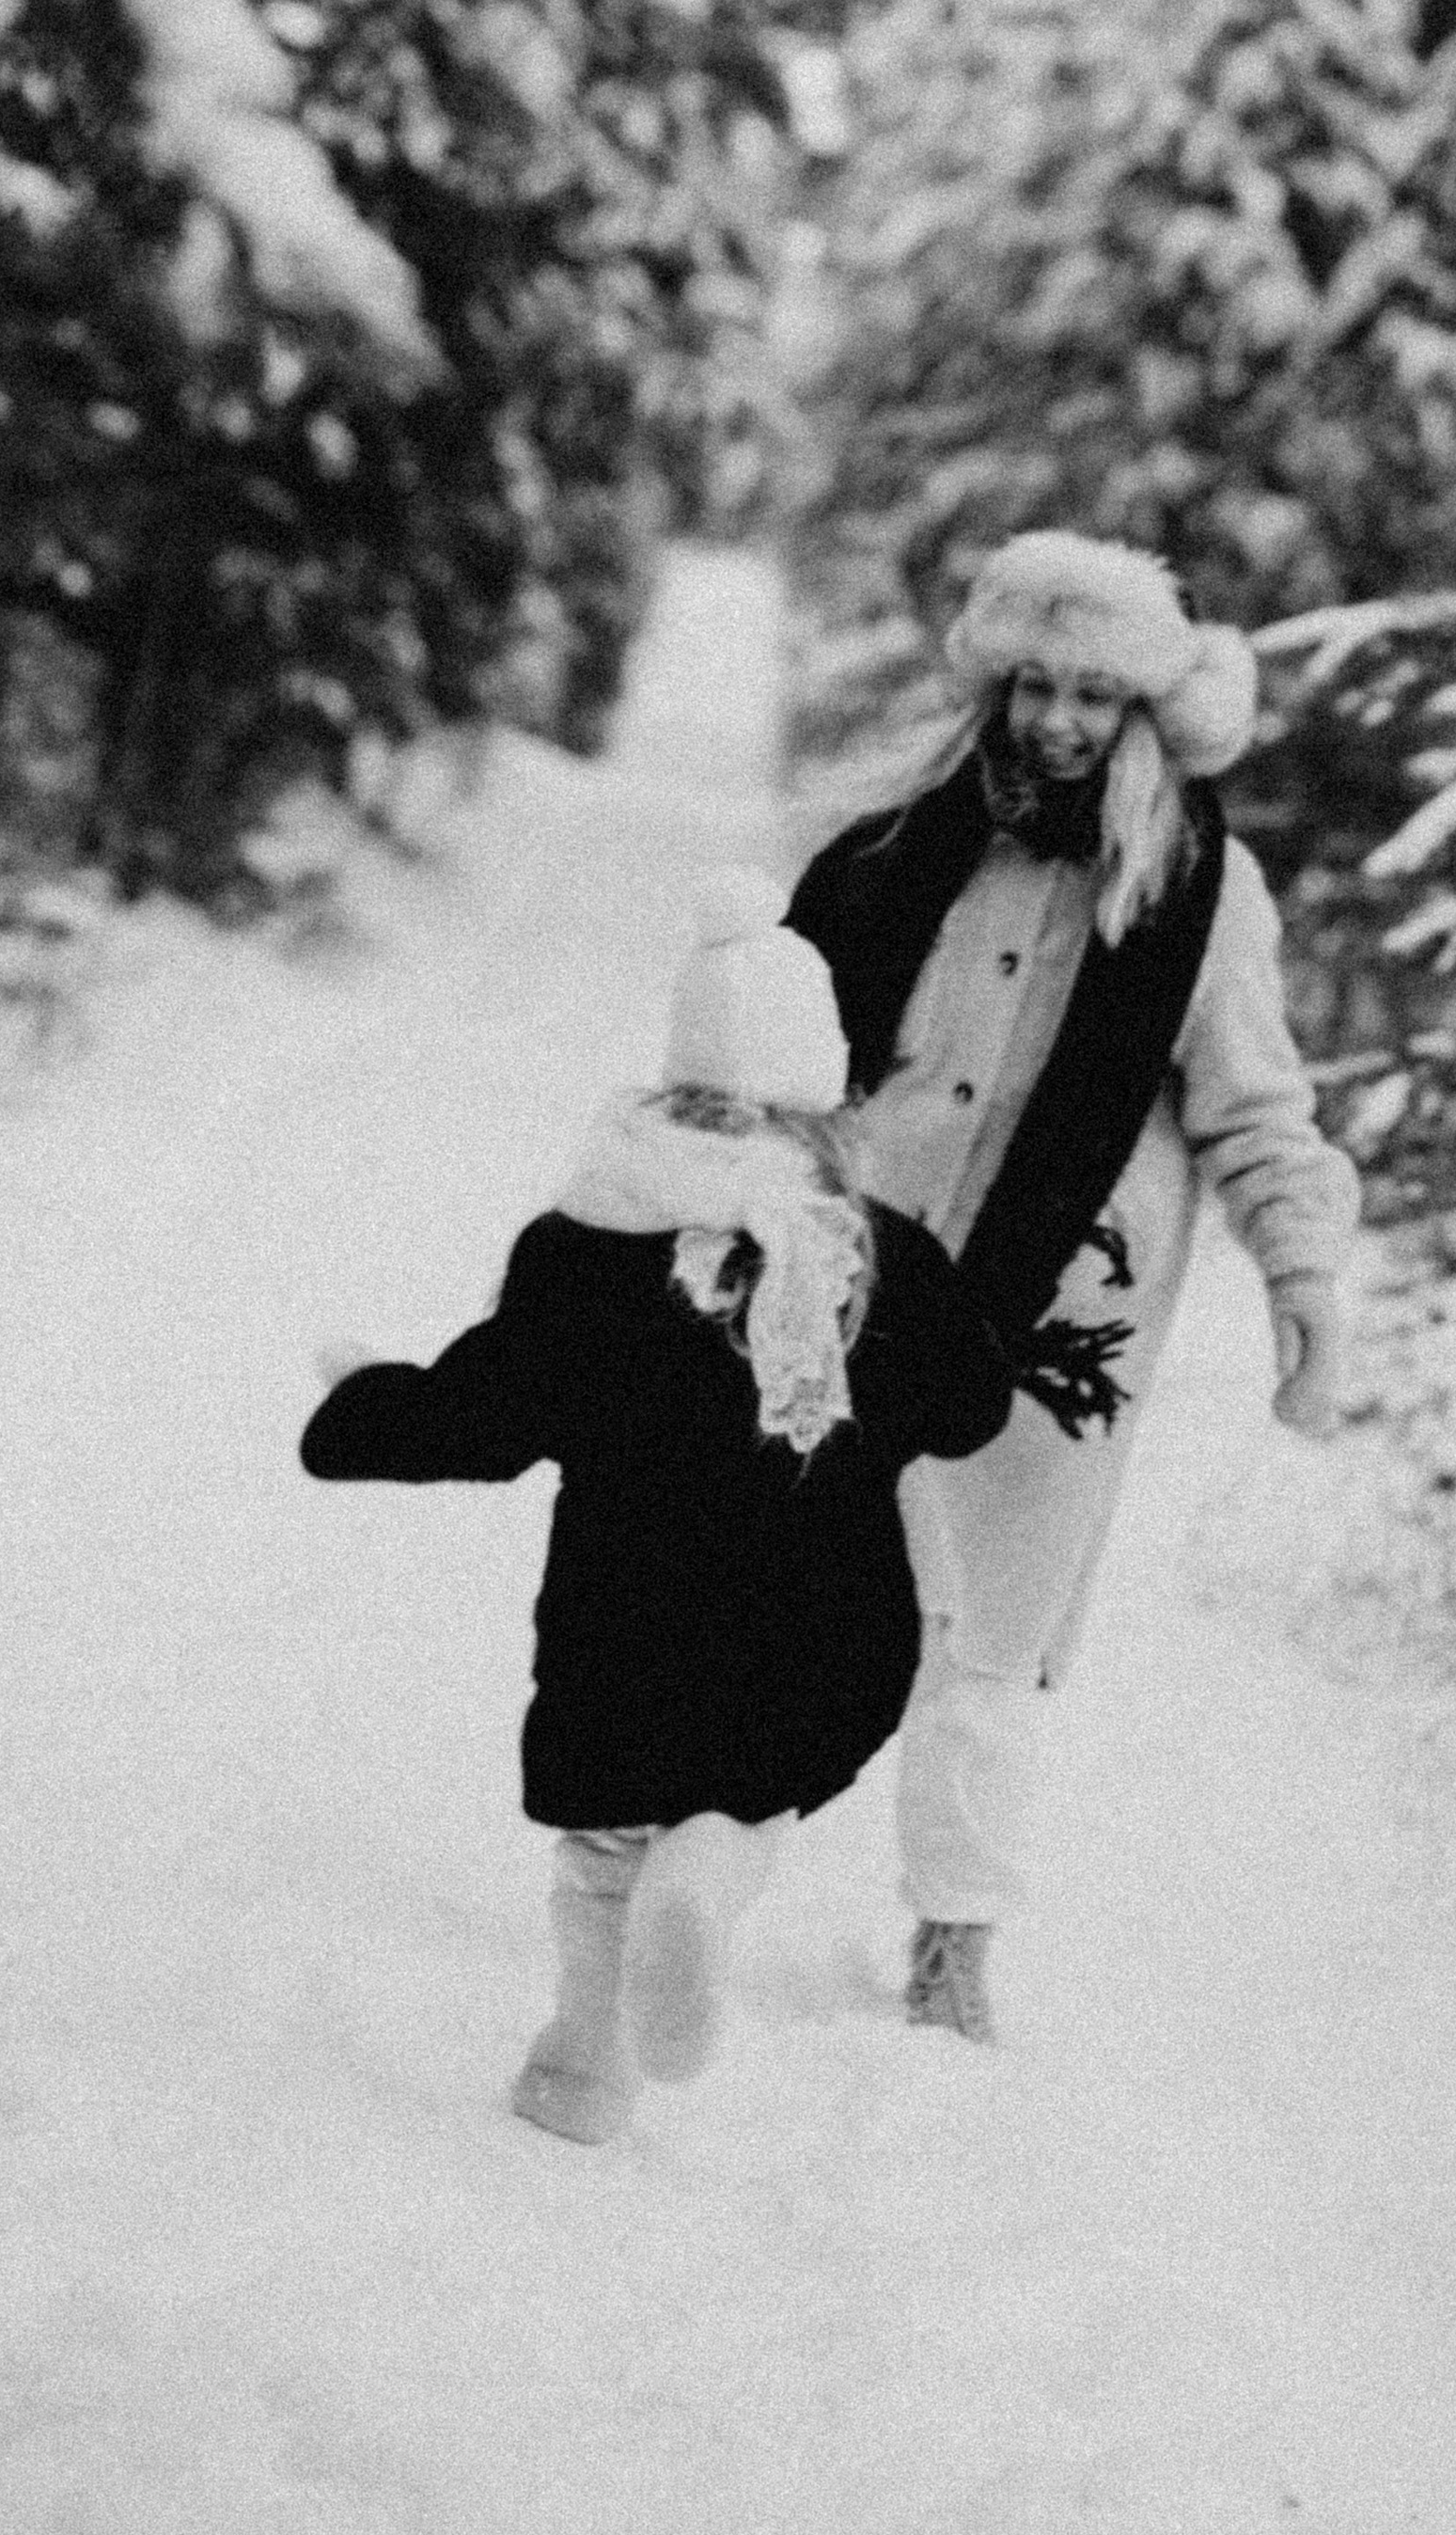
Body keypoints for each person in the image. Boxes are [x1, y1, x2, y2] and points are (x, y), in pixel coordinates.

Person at [300, 871, 1014, 2146]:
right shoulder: (881, 1256)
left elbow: (484, 1418)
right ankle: (717, 1871)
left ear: (674, 1084)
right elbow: (970, 1412)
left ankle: (585, 2066)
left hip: (628, 1623)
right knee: (752, 1795)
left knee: (600, 1855)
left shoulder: (590, 1250)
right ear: (825, 1098)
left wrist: (363, 1406)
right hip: (826, 1632)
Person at [788, 529, 1357, 2041]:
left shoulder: (1203, 895)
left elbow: (1257, 1110)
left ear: (1146, 714)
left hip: (1056, 1315)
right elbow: (772, 1048)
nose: (1054, 721)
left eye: (1092, 695)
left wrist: (1305, 1284)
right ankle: (677, 1846)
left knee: (989, 1626)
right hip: (860, 1263)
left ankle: (951, 1942)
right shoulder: (893, 844)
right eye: (1032, 684)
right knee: (779, 1568)